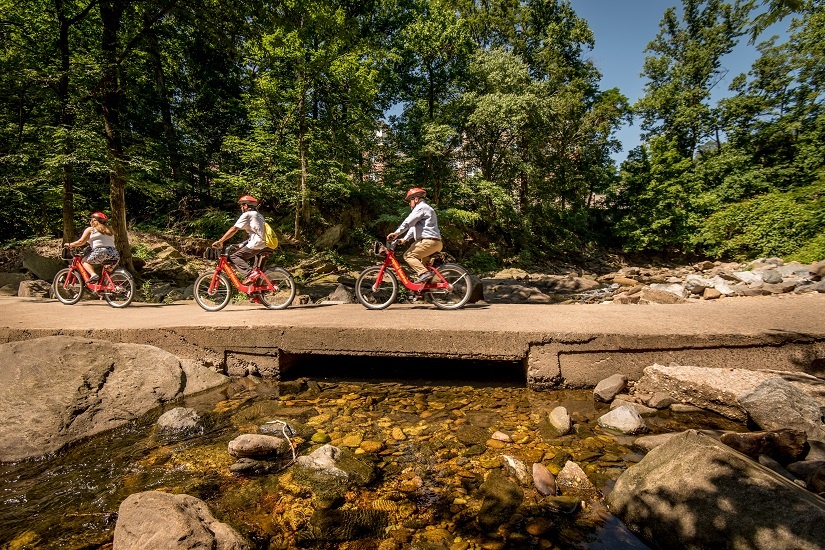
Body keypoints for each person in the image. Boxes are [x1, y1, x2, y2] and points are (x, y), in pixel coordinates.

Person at [387, 187, 443, 284]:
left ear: (416, 199)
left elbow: (408, 222)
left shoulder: (421, 208)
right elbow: (413, 227)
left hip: (427, 242)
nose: (409, 203)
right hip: (436, 243)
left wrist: (396, 233)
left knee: (408, 256)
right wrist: (405, 239)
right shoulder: (426, 209)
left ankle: (424, 274)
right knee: (425, 268)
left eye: (410, 200)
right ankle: (426, 291)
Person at [212, 195, 272, 283]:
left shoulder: (247, 214)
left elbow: (234, 229)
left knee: (234, 256)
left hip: (258, 244)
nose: (241, 208)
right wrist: (242, 244)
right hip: (267, 244)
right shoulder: (259, 215)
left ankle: (248, 273)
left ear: (246, 206)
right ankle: (257, 294)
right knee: (257, 272)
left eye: (241, 205)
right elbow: (257, 232)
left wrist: (221, 241)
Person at [65, 212, 119, 283]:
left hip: (101, 252)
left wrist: (70, 244)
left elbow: (81, 242)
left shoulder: (91, 229)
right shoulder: (109, 230)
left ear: (93, 221)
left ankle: (93, 275)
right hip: (114, 253)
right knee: (107, 269)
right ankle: (111, 286)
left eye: (90, 220)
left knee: (84, 261)